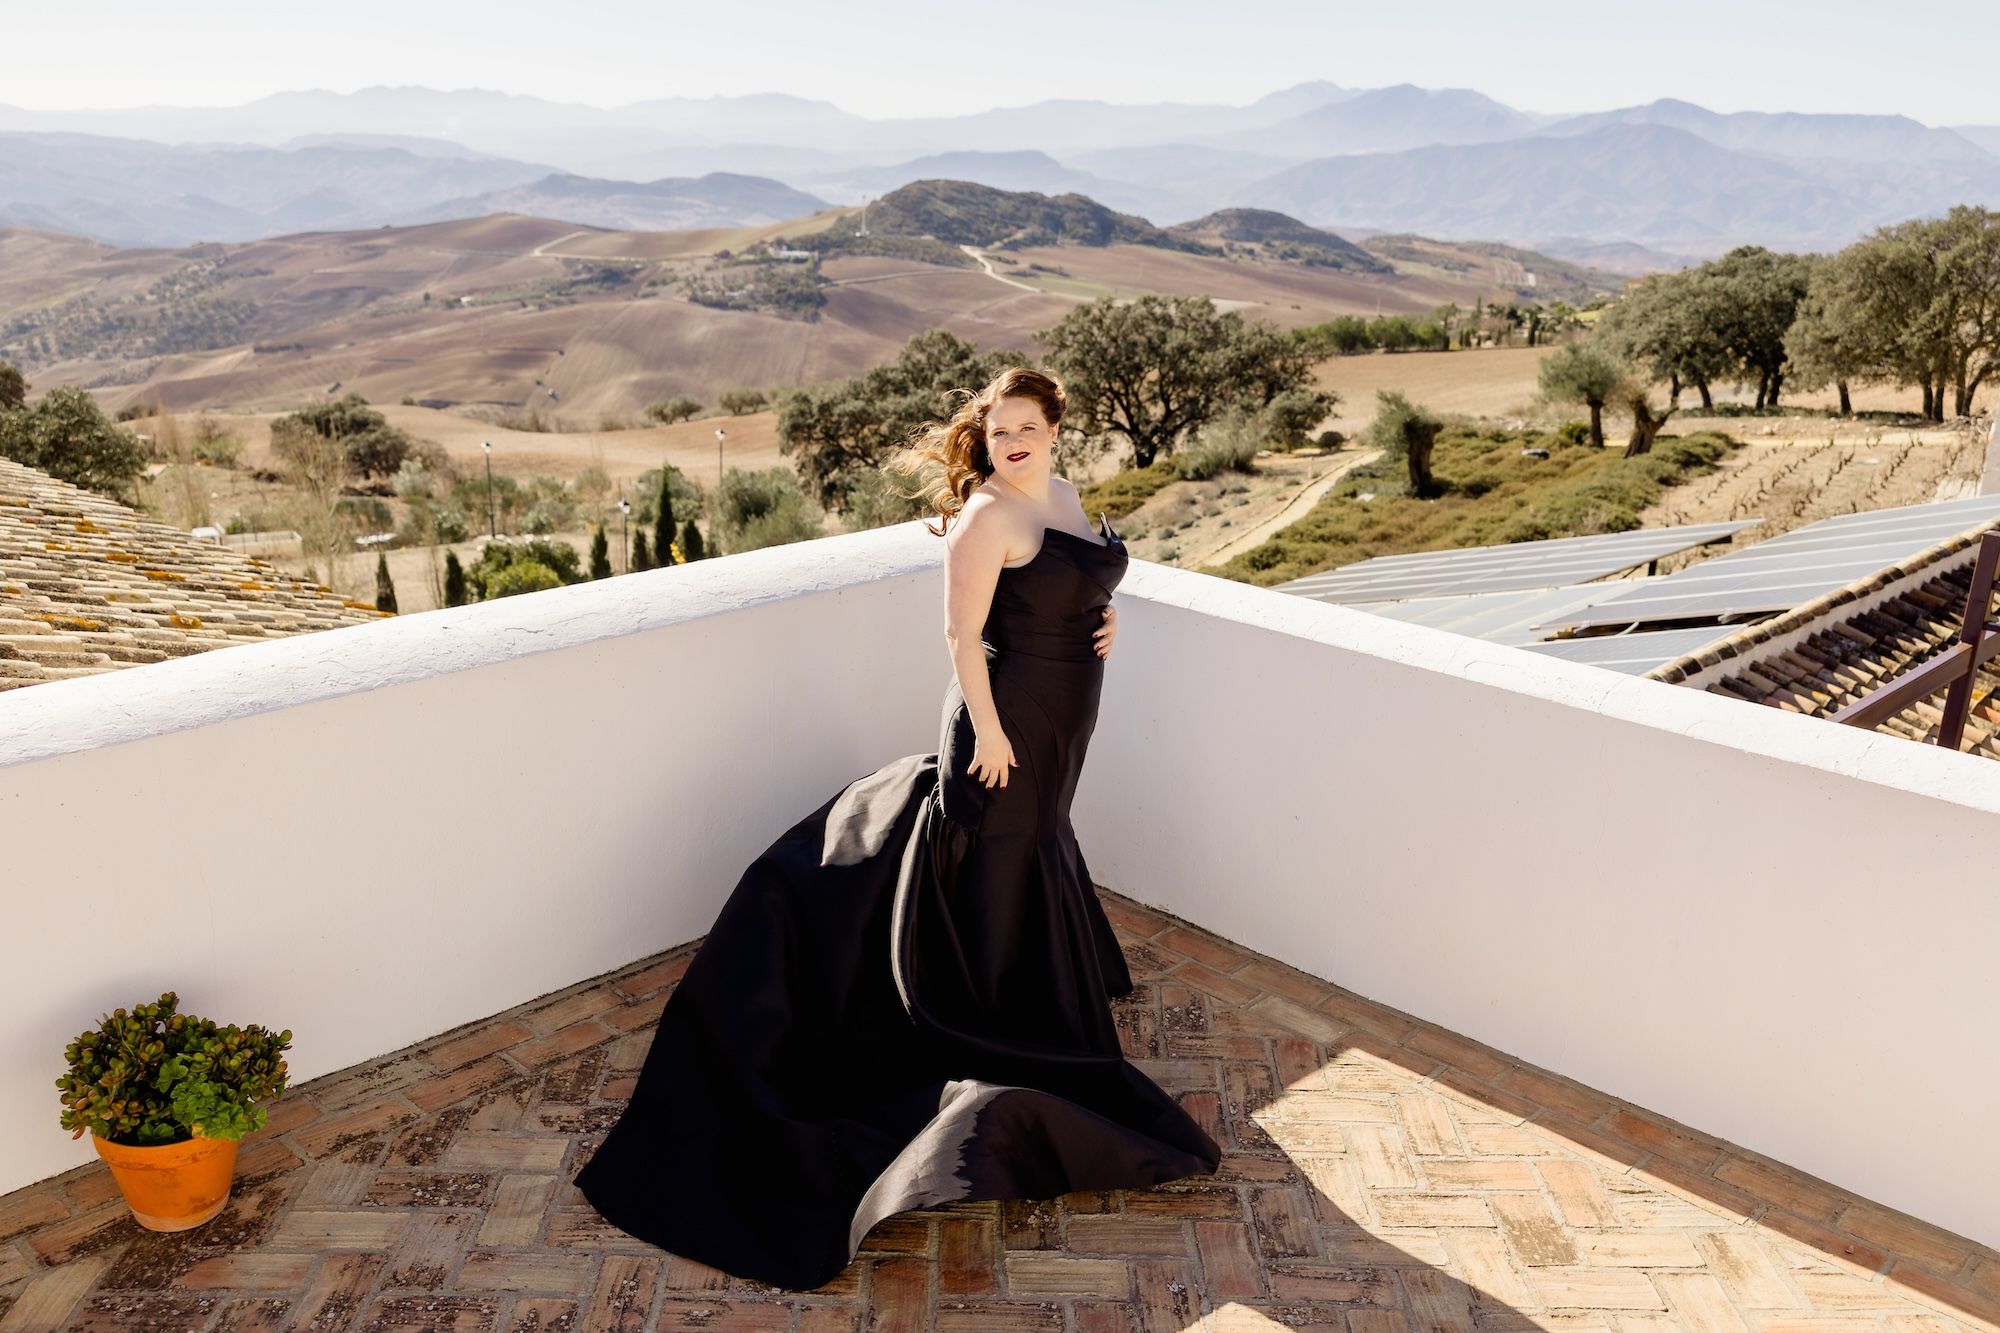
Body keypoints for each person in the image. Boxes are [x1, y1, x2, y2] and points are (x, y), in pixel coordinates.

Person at [573, 365, 1222, 1291]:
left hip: (1065, 716)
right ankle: (979, 1009)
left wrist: (1103, 614)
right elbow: (962, 636)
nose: (1013, 443)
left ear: (1055, 428)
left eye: (1027, 427)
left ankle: (1025, 989)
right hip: (1005, 721)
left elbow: (1075, 573)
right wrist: (989, 730)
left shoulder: (1066, 495)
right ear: (986, 440)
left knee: (1035, 842)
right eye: (998, 432)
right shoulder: (986, 517)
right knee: (997, 850)